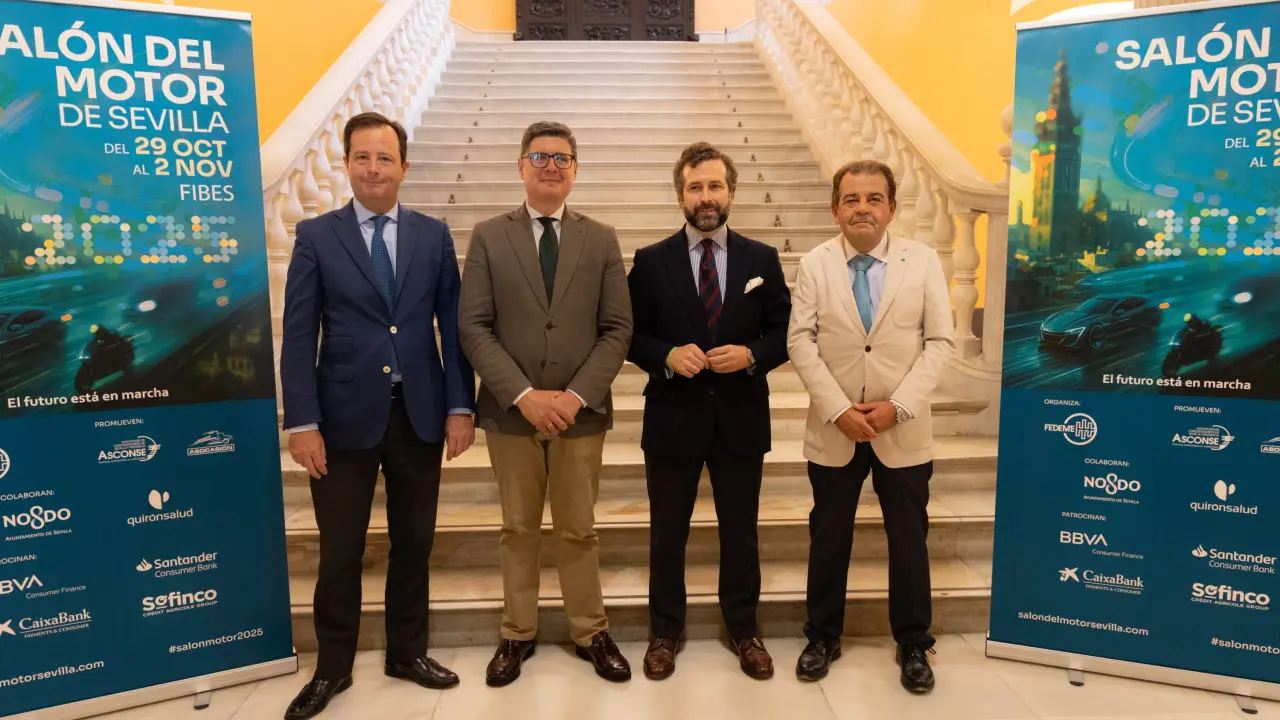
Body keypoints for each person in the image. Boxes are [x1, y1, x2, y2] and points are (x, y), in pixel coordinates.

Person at [280, 112, 476, 720]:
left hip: (419, 415)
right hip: (341, 420)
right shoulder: (316, 236)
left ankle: (407, 653)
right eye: (362, 157)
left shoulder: (433, 236)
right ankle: (332, 667)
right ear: (346, 165)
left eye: (385, 157)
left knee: (414, 544)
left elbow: (453, 329)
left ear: (404, 167)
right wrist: (302, 422)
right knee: (340, 549)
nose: (373, 168)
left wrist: (460, 406)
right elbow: (298, 335)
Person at [458, 121, 634, 686]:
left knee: (579, 528)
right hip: (511, 413)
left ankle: (591, 631)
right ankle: (517, 632)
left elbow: (617, 328)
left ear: (575, 170)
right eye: (540, 156)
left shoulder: (601, 238)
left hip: (582, 415)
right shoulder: (489, 236)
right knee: (518, 529)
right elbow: (474, 326)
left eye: (562, 158)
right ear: (521, 166)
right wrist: (525, 395)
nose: (551, 166)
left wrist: (576, 396)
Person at [787, 160, 955, 694]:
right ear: (835, 209)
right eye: (852, 199)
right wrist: (838, 409)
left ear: (892, 208)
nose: (863, 208)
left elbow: (941, 342)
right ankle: (822, 636)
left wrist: (898, 406)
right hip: (835, 428)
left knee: (908, 540)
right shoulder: (814, 263)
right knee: (828, 537)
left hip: (901, 429)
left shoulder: (922, 261)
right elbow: (800, 340)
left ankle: (914, 642)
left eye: (874, 198)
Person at [626, 143, 791, 680]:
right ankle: (665, 631)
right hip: (672, 416)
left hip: (741, 416)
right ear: (680, 194)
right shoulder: (651, 261)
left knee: (740, 532)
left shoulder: (761, 259)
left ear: (731, 192)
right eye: (695, 187)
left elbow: (786, 332)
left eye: (715, 186)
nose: (705, 196)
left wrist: (752, 355)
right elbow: (628, 333)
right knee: (666, 533)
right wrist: (666, 356)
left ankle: (744, 629)